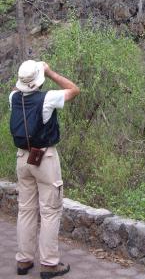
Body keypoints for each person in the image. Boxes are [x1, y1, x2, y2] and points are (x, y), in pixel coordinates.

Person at [9, 60, 80, 279]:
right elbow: (74, 89)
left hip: (23, 158)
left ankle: (24, 260)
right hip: (45, 159)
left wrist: (28, 77)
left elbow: (19, 89)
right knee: (50, 212)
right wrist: (48, 72)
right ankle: (49, 264)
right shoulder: (47, 98)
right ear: (38, 80)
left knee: (26, 210)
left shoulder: (13, 98)